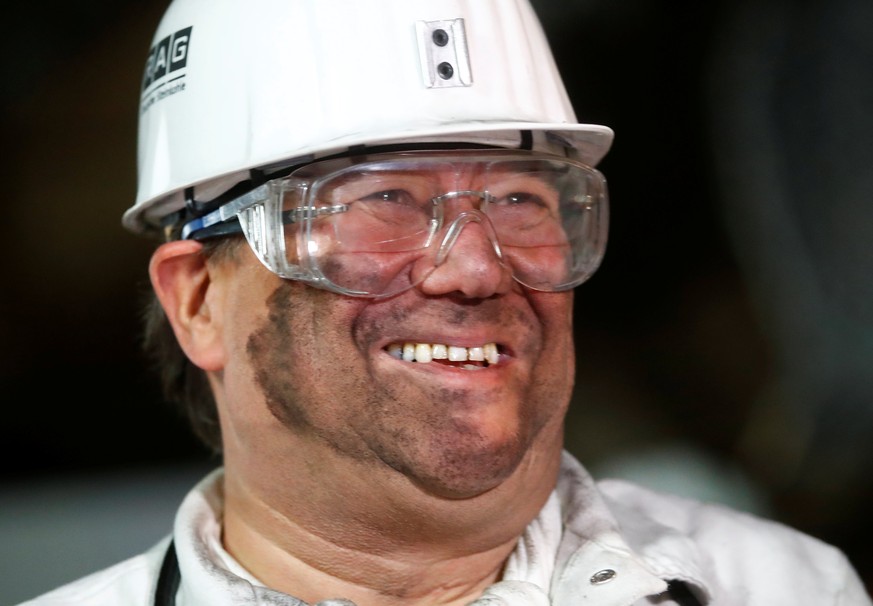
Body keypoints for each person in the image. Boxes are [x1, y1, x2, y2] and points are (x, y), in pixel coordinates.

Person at [19, 0, 871, 604]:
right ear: (199, 300)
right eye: (381, 201)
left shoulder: (788, 588)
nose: (472, 268)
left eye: (519, 201)